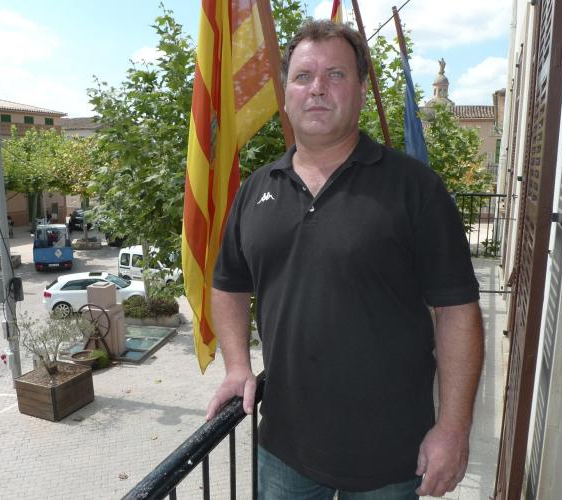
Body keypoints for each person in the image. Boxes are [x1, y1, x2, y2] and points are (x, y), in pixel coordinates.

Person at [206, 20, 484, 499]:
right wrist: (236, 366)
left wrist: (454, 429)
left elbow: (457, 312)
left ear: (361, 89)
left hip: (391, 456)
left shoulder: (414, 188)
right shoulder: (255, 189)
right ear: (286, 94)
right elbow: (228, 284)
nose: (317, 88)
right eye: (303, 76)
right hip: (284, 451)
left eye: (335, 74)